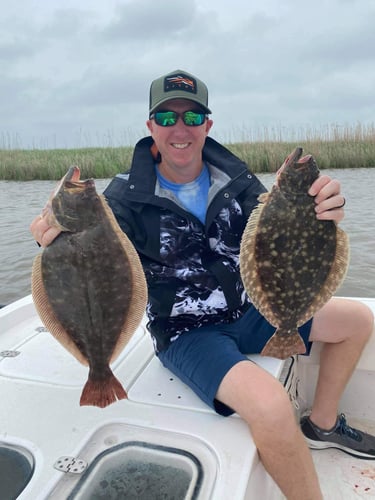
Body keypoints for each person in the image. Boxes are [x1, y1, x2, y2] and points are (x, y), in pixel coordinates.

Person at [31, 69, 374, 499]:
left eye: (192, 118)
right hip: (188, 333)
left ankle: (321, 426)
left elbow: (274, 236)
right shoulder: (119, 199)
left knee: (358, 321)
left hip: (254, 311)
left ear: (207, 125)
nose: (180, 128)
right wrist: (54, 234)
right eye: (167, 117)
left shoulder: (239, 180)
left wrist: (323, 209)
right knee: (268, 405)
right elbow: (94, 257)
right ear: (150, 125)